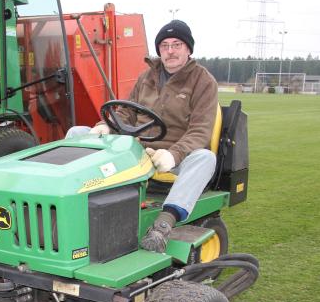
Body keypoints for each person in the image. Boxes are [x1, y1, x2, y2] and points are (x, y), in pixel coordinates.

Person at [70, 20, 218, 252]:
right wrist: (105, 126)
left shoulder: (203, 81)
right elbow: (126, 112)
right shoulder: (146, 77)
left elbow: (200, 130)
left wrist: (173, 154)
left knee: (205, 158)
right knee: (77, 133)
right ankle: (73, 205)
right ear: (159, 50)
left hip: (171, 156)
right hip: (136, 149)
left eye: (177, 44)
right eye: (165, 45)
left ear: (188, 49)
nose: (170, 51)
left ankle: (163, 225)